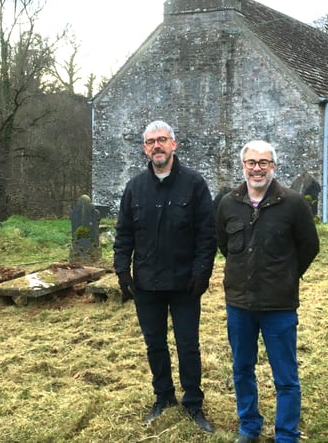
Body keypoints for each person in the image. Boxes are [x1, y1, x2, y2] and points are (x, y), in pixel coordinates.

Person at [113, 120, 217, 433]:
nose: (156, 146)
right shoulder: (135, 187)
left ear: (174, 144)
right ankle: (163, 397)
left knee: (188, 345)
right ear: (145, 148)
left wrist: (202, 272)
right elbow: (124, 232)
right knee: (154, 344)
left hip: (185, 283)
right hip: (146, 283)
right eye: (150, 142)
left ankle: (193, 403)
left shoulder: (194, 184)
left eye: (161, 140)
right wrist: (122, 269)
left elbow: (206, 234)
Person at [215, 140, 320, 443]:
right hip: (239, 304)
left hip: (279, 306)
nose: (257, 168)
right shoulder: (228, 204)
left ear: (273, 166)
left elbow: (309, 247)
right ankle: (249, 426)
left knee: (285, 376)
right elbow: (224, 244)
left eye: (264, 162)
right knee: (242, 369)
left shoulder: (293, 203)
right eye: (251, 162)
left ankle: (286, 434)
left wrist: (286, 276)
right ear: (243, 166)